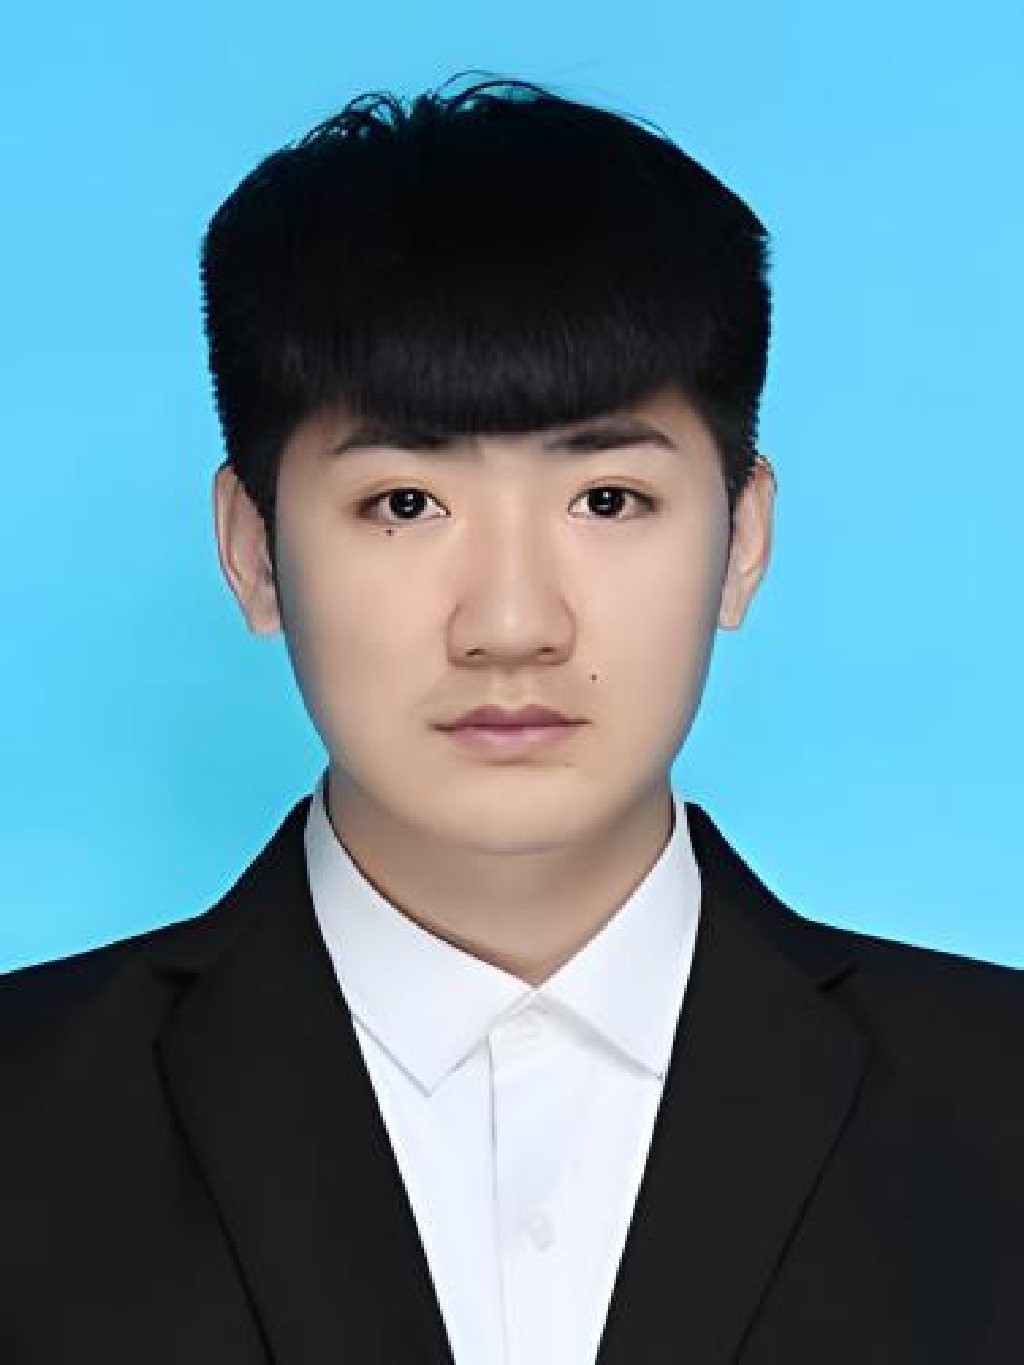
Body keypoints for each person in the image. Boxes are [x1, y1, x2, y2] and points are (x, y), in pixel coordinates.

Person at [1, 70, 1021, 1365]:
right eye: (404, 504)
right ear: (254, 551)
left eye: (607, 500)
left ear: (744, 539)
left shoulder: (999, 1106)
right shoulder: (27, 1116)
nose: (511, 623)